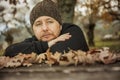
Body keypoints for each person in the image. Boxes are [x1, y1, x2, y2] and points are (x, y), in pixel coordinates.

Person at [4, 0, 89, 57]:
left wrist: (31, 50)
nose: (44, 28)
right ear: (33, 29)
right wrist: (47, 44)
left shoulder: (72, 30)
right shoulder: (37, 40)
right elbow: (9, 51)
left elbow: (57, 52)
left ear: (60, 25)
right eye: (38, 24)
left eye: (50, 22)